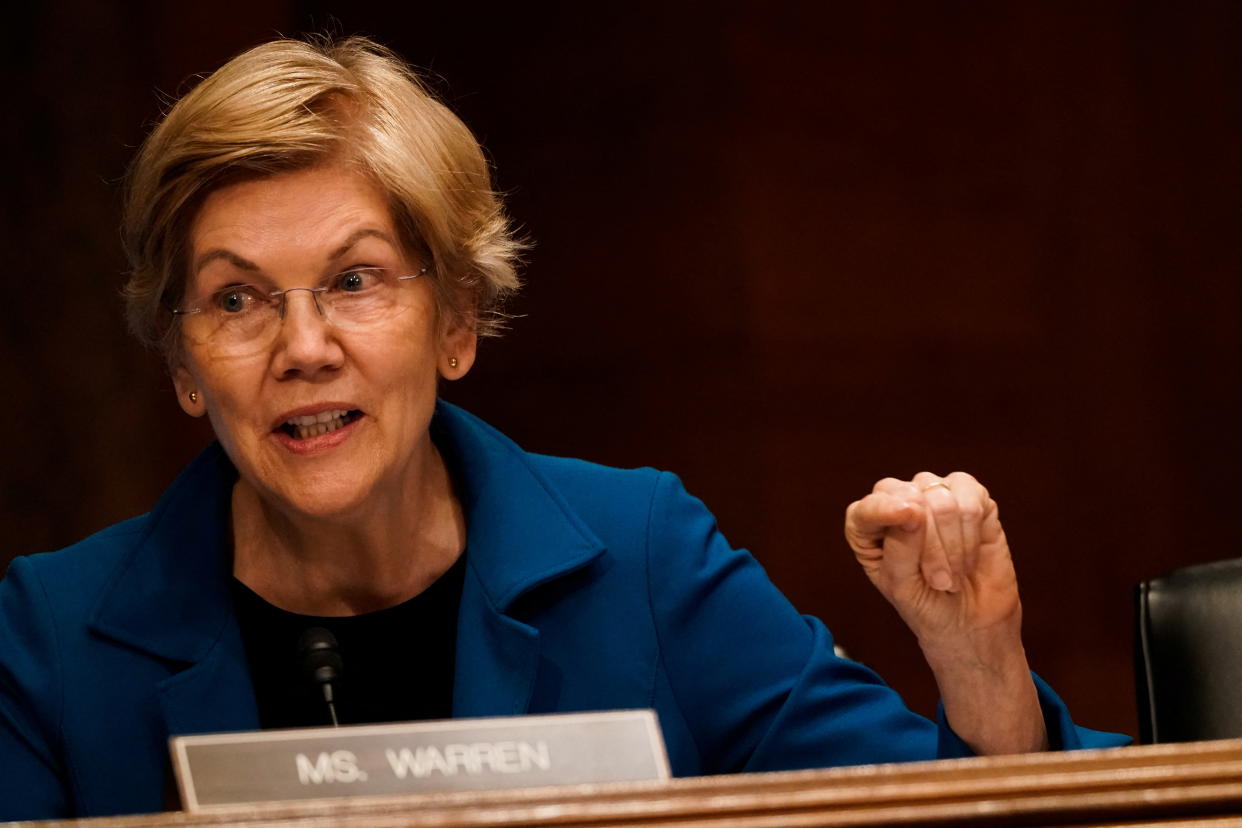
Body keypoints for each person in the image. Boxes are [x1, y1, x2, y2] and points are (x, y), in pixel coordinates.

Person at [0, 36, 1127, 820]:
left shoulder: (639, 556)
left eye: (356, 281)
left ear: (455, 325)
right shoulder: (53, 639)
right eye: (237, 299)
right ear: (186, 365)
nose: (302, 346)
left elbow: (932, 821)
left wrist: (977, 667)